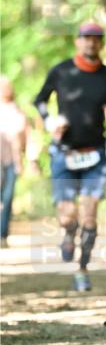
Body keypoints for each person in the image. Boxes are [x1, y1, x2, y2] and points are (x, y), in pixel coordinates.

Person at [34, 22, 106, 292]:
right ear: (78, 42)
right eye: (86, 39)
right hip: (63, 152)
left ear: (102, 44)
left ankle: (82, 269)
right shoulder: (61, 71)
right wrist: (49, 120)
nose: (91, 43)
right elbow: (40, 100)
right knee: (68, 217)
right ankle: (67, 233)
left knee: (89, 217)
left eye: (96, 39)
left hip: (95, 154)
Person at [0, 76, 28, 247]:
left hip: (13, 161)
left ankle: (2, 234)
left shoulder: (18, 110)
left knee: (8, 198)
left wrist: (27, 159)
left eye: (7, 86)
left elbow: (26, 136)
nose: (6, 89)